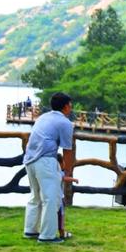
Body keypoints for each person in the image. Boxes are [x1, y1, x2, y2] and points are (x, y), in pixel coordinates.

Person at [23, 92, 75, 243]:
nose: (71, 108)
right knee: (51, 198)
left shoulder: (42, 117)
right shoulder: (65, 123)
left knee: (35, 196)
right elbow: (67, 150)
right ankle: (47, 236)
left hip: (30, 159)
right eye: (70, 105)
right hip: (45, 160)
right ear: (65, 106)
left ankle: (30, 230)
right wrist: (67, 170)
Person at [56, 153, 79, 239]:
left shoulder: (51, 172)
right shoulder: (59, 173)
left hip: (52, 197)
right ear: (61, 163)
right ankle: (62, 233)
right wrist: (73, 179)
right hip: (59, 198)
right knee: (61, 216)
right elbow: (64, 178)